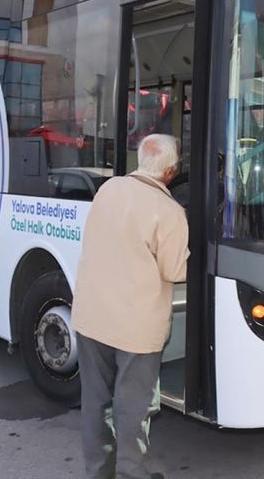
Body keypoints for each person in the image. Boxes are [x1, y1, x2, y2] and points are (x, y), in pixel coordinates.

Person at [72, 134, 189, 479]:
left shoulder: (108, 190)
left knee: (96, 404)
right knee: (133, 409)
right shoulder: (169, 212)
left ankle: (98, 472)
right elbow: (176, 270)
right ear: (171, 171)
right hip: (135, 332)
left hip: (92, 319)